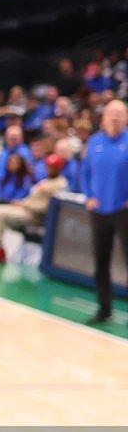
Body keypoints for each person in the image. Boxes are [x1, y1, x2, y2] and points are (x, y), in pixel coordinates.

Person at [81, 98, 128, 325]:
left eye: (120, 113)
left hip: (123, 211)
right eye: (112, 113)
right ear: (104, 117)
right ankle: (104, 308)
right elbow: (85, 172)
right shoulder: (94, 142)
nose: (115, 117)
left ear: (126, 118)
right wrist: (89, 196)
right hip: (99, 210)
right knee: (101, 261)